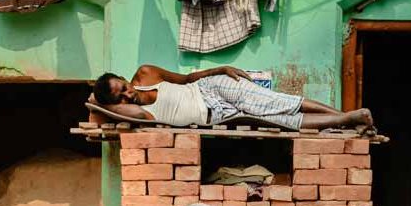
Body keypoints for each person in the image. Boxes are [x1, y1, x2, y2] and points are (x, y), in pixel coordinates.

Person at [93, 64, 375, 132]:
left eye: (124, 84)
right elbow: (95, 104)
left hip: (212, 88)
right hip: (216, 115)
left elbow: (188, 79)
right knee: (282, 120)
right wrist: (103, 100)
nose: (129, 90)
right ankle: (351, 118)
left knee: (276, 101)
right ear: (117, 102)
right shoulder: (140, 116)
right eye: (122, 94)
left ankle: (347, 115)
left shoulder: (146, 73)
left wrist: (222, 69)